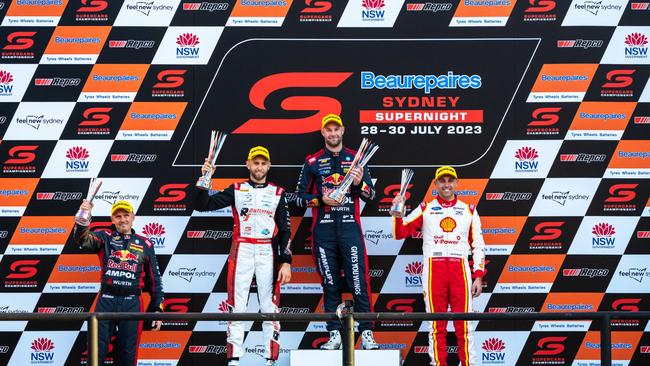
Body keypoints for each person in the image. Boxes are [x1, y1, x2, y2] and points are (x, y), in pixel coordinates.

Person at [194, 146, 292, 366]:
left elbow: (285, 229)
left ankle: (270, 360)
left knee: (269, 307)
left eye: (263, 163)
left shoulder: (278, 192)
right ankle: (234, 360)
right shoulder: (237, 189)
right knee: (237, 306)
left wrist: (286, 261)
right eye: (255, 163)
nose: (259, 167)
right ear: (248, 165)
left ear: (269, 166)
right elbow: (202, 205)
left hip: (268, 250)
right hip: (242, 249)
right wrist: (205, 177)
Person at [295, 113, 379, 350]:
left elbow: (370, 196)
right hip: (324, 233)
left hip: (350, 229)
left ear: (342, 131)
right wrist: (321, 201)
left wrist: (358, 183)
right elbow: (298, 199)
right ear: (323, 133)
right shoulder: (312, 162)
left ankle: (368, 334)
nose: (332, 133)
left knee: (359, 283)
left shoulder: (356, 159)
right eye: (328, 129)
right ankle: (334, 334)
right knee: (330, 284)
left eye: (336, 129)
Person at [391, 166, 485, 366]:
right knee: (436, 325)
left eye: (450, 180)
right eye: (442, 181)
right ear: (435, 184)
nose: (447, 185)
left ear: (457, 183)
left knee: (465, 324)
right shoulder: (426, 208)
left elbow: (478, 245)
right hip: (434, 271)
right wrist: (398, 212)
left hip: (460, 270)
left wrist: (478, 276)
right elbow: (401, 232)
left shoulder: (469, 210)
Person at [74, 199, 164, 366]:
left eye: (126, 215)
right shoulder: (104, 237)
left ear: (133, 217)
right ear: (112, 220)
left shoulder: (146, 243)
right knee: (95, 351)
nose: (122, 219)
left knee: (128, 353)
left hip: (132, 303)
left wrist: (158, 308)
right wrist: (83, 216)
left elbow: (155, 279)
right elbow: (82, 240)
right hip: (106, 299)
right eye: (118, 216)